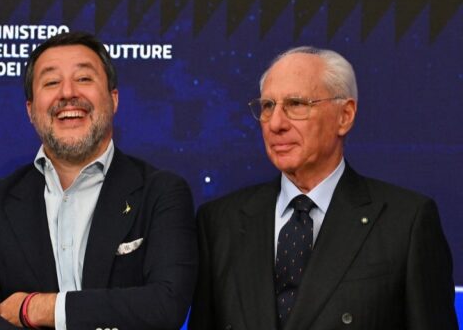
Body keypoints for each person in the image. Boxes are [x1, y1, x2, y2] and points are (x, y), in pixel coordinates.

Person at [189, 47, 457, 329]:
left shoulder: (406, 222)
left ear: (345, 116)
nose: (276, 124)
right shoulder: (219, 222)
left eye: (296, 104)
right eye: (268, 106)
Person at [0, 32, 197, 330]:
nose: (67, 93)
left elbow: (165, 305)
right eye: (51, 82)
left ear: (113, 99)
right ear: (30, 109)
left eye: (84, 79)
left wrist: (38, 308)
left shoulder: (161, 192)